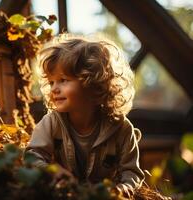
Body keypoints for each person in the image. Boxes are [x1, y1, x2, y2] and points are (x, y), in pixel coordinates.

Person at [25, 34, 144, 196]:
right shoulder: (52, 122)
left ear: (93, 83)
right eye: (51, 82)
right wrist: (51, 171)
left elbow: (132, 172)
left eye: (63, 80)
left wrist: (123, 190)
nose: (54, 89)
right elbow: (32, 157)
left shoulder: (122, 129)